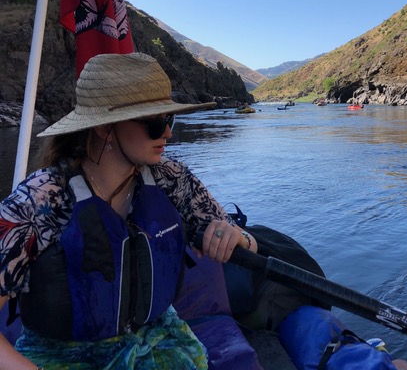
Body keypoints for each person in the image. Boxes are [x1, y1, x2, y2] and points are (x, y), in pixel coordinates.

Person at [0, 53, 261, 369]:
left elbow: (247, 242)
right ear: (105, 127)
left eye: (169, 119)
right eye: (155, 122)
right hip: (62, 355)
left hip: (159, 340)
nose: (168, 133)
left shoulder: (171, 178)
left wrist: (235, 236)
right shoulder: (41, 200)